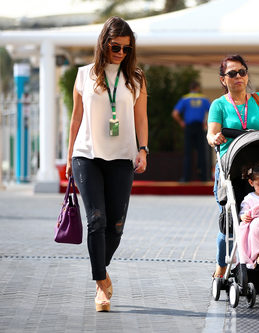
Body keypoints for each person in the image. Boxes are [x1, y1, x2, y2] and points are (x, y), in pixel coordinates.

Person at [65, 16, 148, 312]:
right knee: (96, 220)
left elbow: (141, 118)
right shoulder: (84, 74)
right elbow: (76, 118)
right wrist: (69, 153)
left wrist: (143, 149)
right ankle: (101, 285)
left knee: (116, 226)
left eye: (126, 48)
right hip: (86, 155)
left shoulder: (135, 78)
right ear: (104, 44)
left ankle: (101, 269)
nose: (121, 53)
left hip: (122, 158)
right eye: (116, 47)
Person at [206, 54, 259, 278]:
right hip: (231, 167)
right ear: (223, 79)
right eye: (232, 73)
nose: (238, 77)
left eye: (242, 72)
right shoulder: (219, 105)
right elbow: (211, 133)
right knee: (229, 221)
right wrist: (215, 138)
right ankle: (223, 263)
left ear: (247, 75)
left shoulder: (258, 100)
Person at [172, 81, 211, 181]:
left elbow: (175, 113)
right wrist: (206, 123)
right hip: (200, 127)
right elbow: (212, 112)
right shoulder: (204, 98)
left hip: (189, 127)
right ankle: (204, 177)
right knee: (202, 153)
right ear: (198, 88)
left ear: (190, 88)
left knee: (188, 153)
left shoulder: (185, 98)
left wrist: (181, 123)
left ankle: (186, 178)